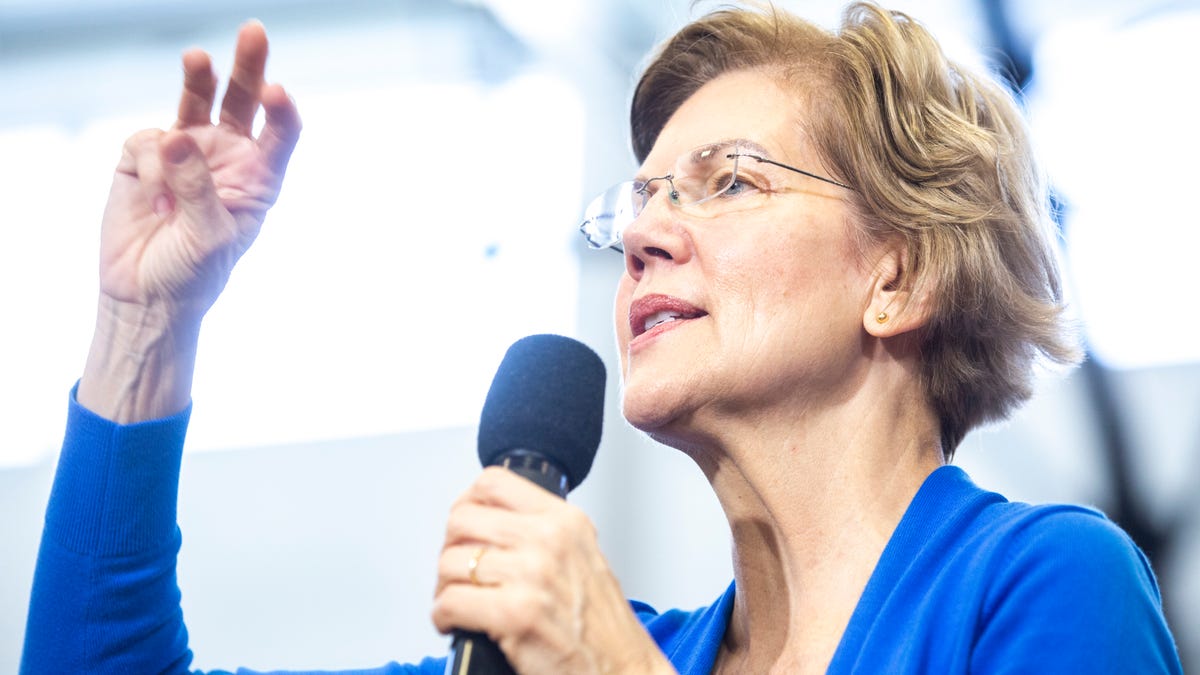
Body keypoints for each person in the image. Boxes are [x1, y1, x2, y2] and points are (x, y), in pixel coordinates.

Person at [20, 3, 1184, 674]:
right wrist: (143, 325)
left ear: (899, 275)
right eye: (638, 202)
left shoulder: (1038, 588)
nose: (646, 236)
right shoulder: (574, 654)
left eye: (727, 183)